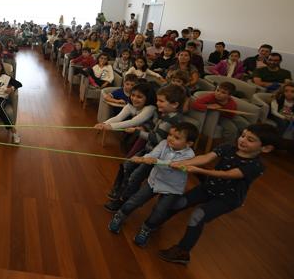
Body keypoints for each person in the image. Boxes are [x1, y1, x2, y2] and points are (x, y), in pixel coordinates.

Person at [159, 125, 280, 265]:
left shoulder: (257, 166)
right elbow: (205, 158)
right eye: (243, 135)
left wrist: (199, 171)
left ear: (265, 148)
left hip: (228, 199)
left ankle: (182, 252)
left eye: (250, 139)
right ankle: (154, 223)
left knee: (198, 216)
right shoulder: (228, 147)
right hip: (209, 187)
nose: (242, 140)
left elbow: (228, 175)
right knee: (179, 203)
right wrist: (178, 163)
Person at [108, 123, 198, 247]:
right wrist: (144, 158)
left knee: (160, 211)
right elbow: (153, 155)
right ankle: (120, 215)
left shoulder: (190, 156)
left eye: (176, 138)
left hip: (172, 188)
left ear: (189, 144)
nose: (170, 138)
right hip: (155, 181)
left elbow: (175, 164)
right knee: (135, 200)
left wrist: (156, 161)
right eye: (170, 135)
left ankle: (146, 228)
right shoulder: (163, 144)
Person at [105, 85, 186, 211]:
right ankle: (120, 194)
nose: (157, 103)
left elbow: (158, 139)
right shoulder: (165, 114)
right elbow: (153, 125)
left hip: (155, 156)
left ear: (175, 104)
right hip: (149, 150)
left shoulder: (172, 120)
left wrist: (137, 132)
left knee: (135, 177)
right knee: (127, 166)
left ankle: (123, 202)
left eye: (161, 101)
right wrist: (142, 127)